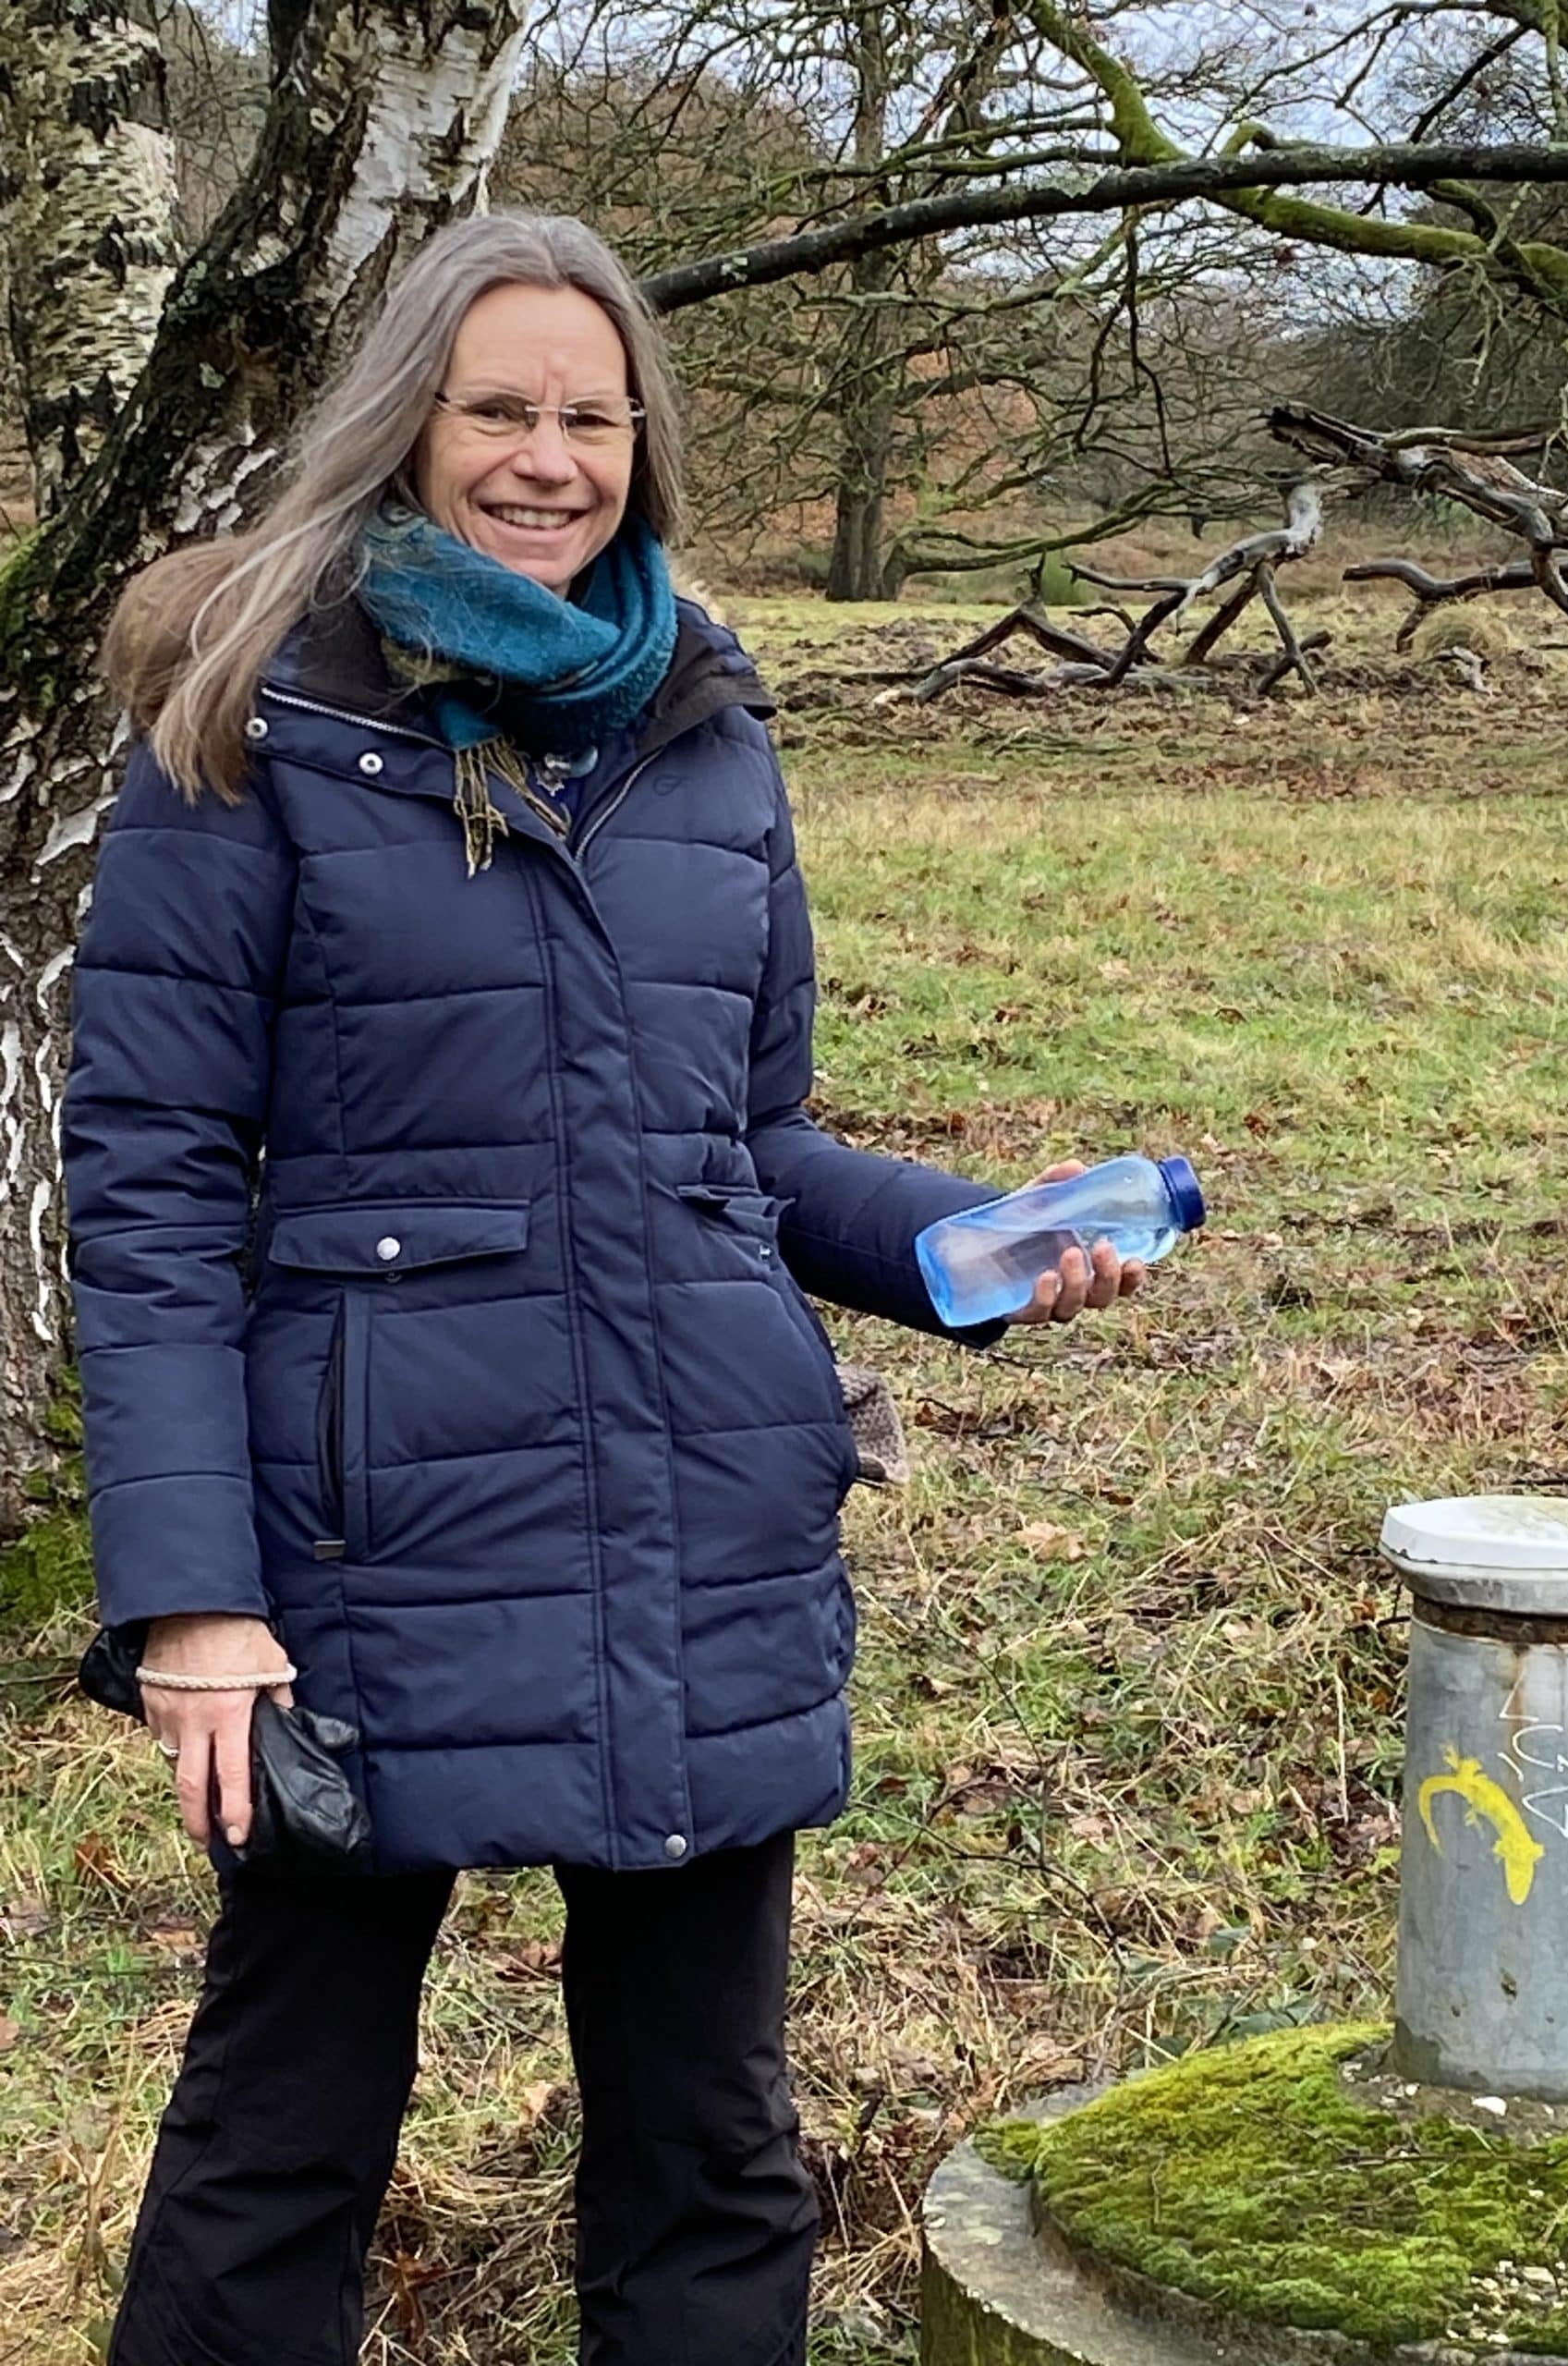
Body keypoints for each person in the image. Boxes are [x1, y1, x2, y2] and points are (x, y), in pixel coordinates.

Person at [63, 209, 1144, 2366]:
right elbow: (154, 1184)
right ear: (407, 424)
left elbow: (751, 1139)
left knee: (711, 2141)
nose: (548, 458)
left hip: (692, 1518)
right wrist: (190, 1595)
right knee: (283, 2133)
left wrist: (970, 1246)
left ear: (643, 438)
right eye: (500, 410)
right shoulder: (253, 717)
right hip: (372, 1542)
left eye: (592, 414)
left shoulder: (707, 716)